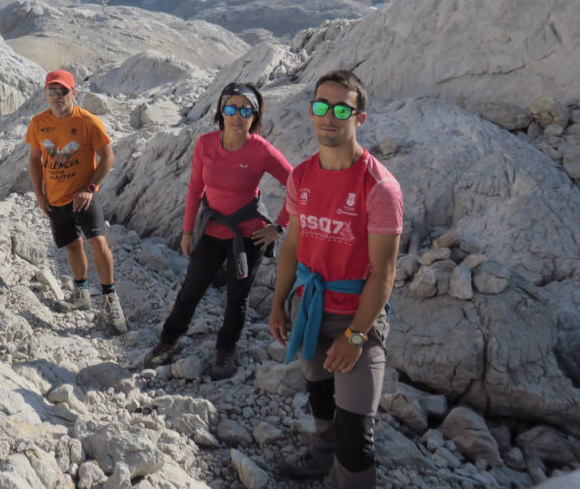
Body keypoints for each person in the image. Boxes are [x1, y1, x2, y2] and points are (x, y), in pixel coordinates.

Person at [265, 70, 403, 488]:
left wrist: (357, 336)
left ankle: (343, 471)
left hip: (355, 319)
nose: (329, 116)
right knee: (320, 393)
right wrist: (278, 303)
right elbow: (292, 246)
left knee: (357, 437)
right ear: (311, 111)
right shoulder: (302, 175)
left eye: (342, 108)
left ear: (359, 118)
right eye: (321, 106)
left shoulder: (378, 187)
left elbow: (384, 273)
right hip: (308, 309)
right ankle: (322, 456)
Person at [143, 82, 291, 379]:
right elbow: (196, 188)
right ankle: (168, 340)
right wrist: (187, 232)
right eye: (231, 108)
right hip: (211, 229)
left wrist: (279, 227)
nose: (237, 115)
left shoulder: (262, 150)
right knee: (191, 290)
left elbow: (298, 186)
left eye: (245, 110)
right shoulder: (206, 144)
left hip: (249, 236)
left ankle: (225, 350)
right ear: (221, 111)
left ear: (255, 115)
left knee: (238, 298)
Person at [26, 70, 127, 333]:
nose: (57, 97)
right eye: (52, 91)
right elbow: (35, 159)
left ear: (74, 93)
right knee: (72, 246)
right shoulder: (38, 122)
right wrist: (39, 194)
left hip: (83, 196)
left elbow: (108, 158)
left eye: (63, 91)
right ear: (45, 94)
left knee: (98, 241)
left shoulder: (88, 122)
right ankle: (81, 295)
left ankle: (110, 298)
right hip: (56, 197)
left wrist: (90, 188)